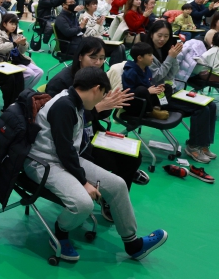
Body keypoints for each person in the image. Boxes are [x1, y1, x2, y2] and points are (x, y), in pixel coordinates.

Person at [26, 66, 168, 262]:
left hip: (65, 159)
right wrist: (84, 182)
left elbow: (70, 150)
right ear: (96, 89)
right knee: (83, 203)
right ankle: (60, 231)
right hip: (44, 163)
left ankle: (133, 244)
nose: (102, 99)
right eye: (103, 94)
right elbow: (64, 151)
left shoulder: (75, 101)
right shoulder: (64, 106)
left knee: (118, 185)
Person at [46, 37, 148, 197]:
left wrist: (110, 104)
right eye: (93, 57)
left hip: (91, 131)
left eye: (102, 58)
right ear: (80, 56)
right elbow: (59, 124)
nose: (98, 62)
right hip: (72, 140)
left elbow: (101, 114)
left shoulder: (97, 77)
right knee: (117, 162)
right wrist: (98, 107)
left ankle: (114, 193)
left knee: (134, 156)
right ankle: (113, 188)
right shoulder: (61, 82)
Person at [143, 20, 216, 164]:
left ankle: (203, 144)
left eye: (166, 36)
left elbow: (172, 74)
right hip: (157, 96)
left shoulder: (166, 49)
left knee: (211, 105)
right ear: (151, 34)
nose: (162, 39)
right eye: (159, 35)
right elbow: (157, 77)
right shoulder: (146, 53)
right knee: (201, 109)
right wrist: (170, 58)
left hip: (171, 90)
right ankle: (193, 146)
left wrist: (174, 57)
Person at [121, 42, 170, 120]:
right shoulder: (130, 72)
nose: (152, 58)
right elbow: (128, 93)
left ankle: (157, 108)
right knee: (141, 90)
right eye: (150, 55)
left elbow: (147, 85)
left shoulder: (147, 69)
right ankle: (151, 112)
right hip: (134, 103)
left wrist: (157, 88)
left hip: (146, 99)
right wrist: (148, 91)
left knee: (167, 87)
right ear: (140, 58)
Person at [0, 13, 43, 89]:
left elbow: (22, 51)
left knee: (39, 72)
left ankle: (22, 91)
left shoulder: (16, 34)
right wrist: (14, 43)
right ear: (4, 24)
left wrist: (23, 44)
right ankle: (19, 92)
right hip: (8, 60)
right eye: (11, 24)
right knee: (30, 73)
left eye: (15, 24)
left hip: (19, 59)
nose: (14, 26)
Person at [80, 0, 126, 64]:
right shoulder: (84, 18)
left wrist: (101, 24)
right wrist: (98, 25)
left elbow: (101, 32)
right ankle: (113, 68)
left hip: (99, 41)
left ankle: (122, 67)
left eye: (96, 4)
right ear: (87, 6)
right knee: (117, 48)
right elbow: (90, 35)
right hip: (91, 43)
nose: (95, 6)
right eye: (93, 4)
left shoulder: (95, 16)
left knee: (122, 46)